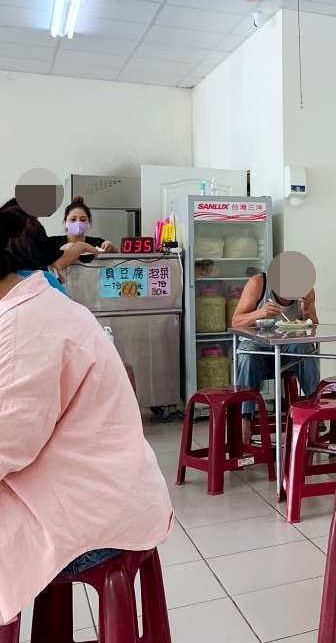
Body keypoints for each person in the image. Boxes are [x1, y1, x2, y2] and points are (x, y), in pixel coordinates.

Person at [0, 202, 173, 626]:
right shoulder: (36, 305)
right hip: (104, 490)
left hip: (91, 515)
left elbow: (11, 437)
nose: (78, 225)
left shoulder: (29, 321)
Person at [231, 271, 321, 444]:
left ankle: (315, 412)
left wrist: (307, 309)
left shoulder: (306, 290)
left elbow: (313, 327)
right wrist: (260, 313)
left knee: (305, 347)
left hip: (289, 350)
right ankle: (245, 422)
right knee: (248, 356)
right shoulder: (259, 283)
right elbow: (236, 321)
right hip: (257, 346)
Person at [0, 198, 88, 274]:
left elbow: (39, 259)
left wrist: (50, 273)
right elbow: (59, 263)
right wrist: (81, 246)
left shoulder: (11, 210)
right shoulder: (29, 225)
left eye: (83, 219)